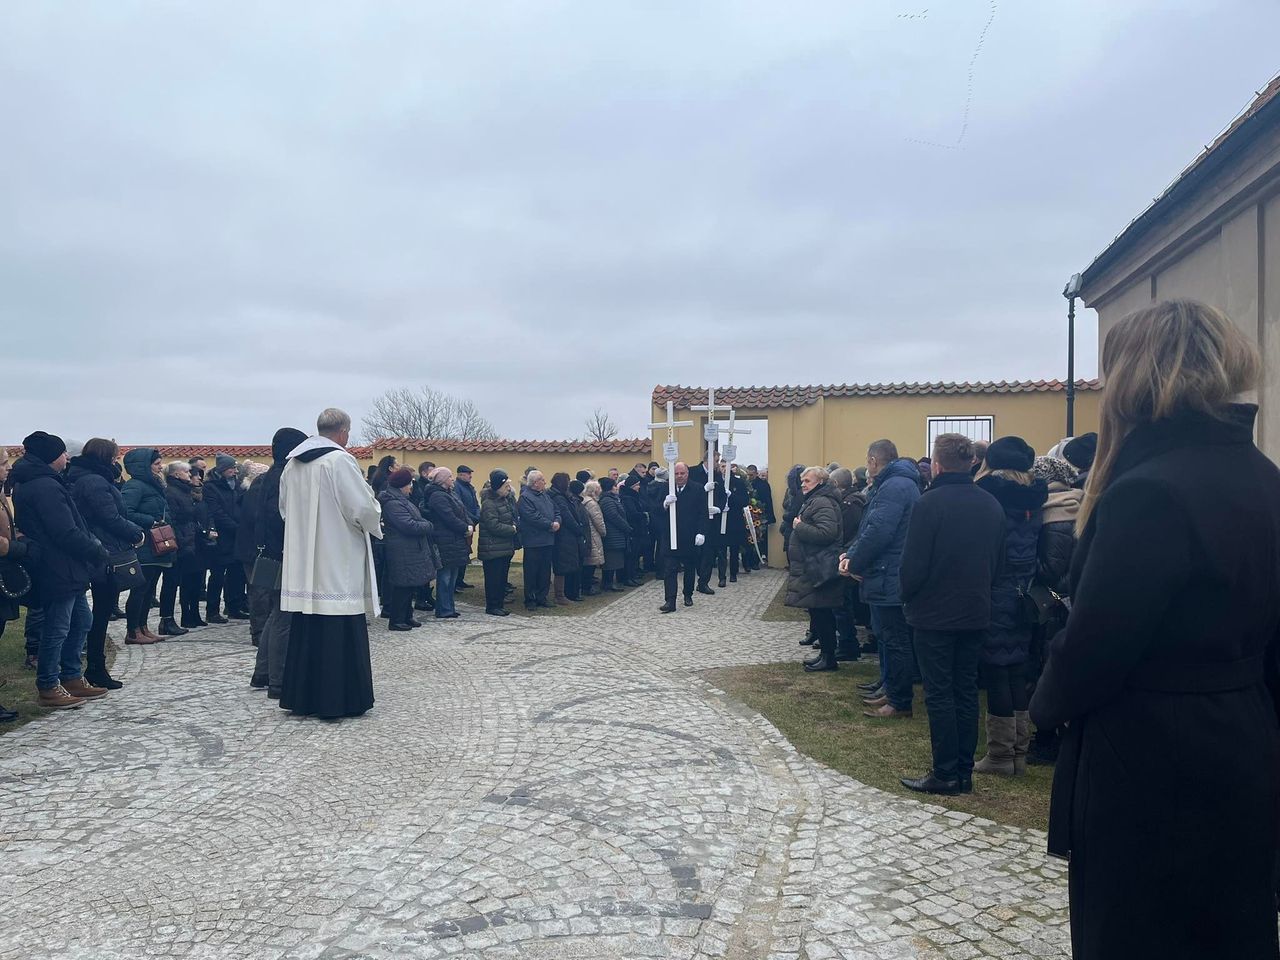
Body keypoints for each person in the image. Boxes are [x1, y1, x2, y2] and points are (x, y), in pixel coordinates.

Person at [1029, 301, 1280, 958]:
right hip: (1246, 740)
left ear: (1132, 376)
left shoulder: (1150, 490)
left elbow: (1096, 645)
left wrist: (1045, 706)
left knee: (1140, 929)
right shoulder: (1263, 476)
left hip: (1150, 756)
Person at [896, 434, 1005, 795]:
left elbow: (913, 567)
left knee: (940, 693)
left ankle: (945, 773)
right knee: (966, 691)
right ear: (972, 462)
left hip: (934, 614)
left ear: (937, 464)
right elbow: (998, 563)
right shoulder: (990, 504)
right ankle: (963, 772)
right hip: (975, 610)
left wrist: (907, 597)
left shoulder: (929, 505)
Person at [279, 409, 381, 719]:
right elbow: (362, 507)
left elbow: (284, 508)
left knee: (307, 626)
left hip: (303, 559)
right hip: (337, 557)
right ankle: (338, 700)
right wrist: (374, 518)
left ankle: (303, 698)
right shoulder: (340, 461)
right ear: (343, 432)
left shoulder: (291, 465)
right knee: (338, 626)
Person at [12, 431, 111, 709]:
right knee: (58, 627)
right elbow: (64, 530)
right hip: (57, 565)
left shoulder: (45, 481)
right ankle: (48, 685)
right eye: (63, 453)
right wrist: (96, 550)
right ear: (52, 456)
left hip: (66, 566)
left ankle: (71, 676)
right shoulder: (44, 486)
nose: (67, 457)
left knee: (82, 621)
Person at [972, 437, 1046, 775]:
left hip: (995, 586)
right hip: (1024, 590)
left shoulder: (988, 494)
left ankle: (1000, 755)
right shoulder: (1034, 496)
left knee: (997, 669)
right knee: (1017, 668)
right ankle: (1018, 751)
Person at [841, 439, 920, 719]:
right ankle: (889, 686)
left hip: (890, 572)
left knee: (894, 638)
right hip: (885, 571)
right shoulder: (895, 484)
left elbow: (879, 531)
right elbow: (869, 528)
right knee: (886, 635)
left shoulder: (895, 486)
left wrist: (855, 561)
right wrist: (852, 553)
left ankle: (899, 700)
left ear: (873, 461)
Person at [68, 438, 145, 691]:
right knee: (100, 613)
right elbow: (110, 517)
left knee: (99, 612)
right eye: (114, 456)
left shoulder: (89, 477)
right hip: (105, 552)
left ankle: (94, 667)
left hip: (102, 548)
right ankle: (96, 668)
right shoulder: (94, 481)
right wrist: (136, 533)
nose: (117, 461)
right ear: (104, 457)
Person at [1024, 455, 1081, 767]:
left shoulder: (1055, 513)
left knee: (1045, 670)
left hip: (1054, 605)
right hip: (1070, 603)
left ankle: (1047, 741)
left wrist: (1023, 561)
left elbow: (1052, 569)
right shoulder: (1078, 504)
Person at [248, 427, 308, 696]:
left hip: (268, 554)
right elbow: (280, 518)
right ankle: (279, 680)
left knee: (275, 613)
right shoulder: (285, 476)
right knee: (284, 616)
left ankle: (262, 673)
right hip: (281, 553)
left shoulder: (270, 475)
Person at [784, 467, 845, 669]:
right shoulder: (815, 499)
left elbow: (827, 532)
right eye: (802, 480)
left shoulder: (822, 501)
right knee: (818, 612)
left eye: (807, 481)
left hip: (819, 564)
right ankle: (826, 655)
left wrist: (799, 526)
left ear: (820, 482)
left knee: (823, 613)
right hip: (813, 564)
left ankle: (829, 657)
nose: (803, 484)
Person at [377, 467, 435, 631]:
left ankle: (407, 616)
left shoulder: (402, 500)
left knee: (410, 585)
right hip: (401, 550)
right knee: (402, 586)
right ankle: (396, 620)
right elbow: (409, 525)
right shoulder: (392, 503)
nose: (411, 487)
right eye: (410, 484)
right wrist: (428, 526)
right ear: (402, 485)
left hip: (410, 549)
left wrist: (423, 524)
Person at [120, 448, 169, 644]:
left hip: (155, 545)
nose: (160, 467)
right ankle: (133, 631)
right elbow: (126, 511)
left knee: (148, 590)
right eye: (156, 464)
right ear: (144, 466)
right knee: (140, 590)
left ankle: (143, 627)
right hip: (143, 544)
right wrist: (151, 520)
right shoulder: (135, 486)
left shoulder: (153, 485)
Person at [654, 463, 709, 612]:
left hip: (689, 535)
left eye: (682, 473)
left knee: (689, 567)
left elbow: (703, 513)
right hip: (670, 535)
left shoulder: (697, 489)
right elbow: (655, 509)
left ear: (687, 473)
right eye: (677, 473)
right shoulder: (666, 488)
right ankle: (670, 600)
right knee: (669, 569)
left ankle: (688, 594)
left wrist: (701, 532)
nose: (679, 476)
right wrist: (665, 503)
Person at [202, 454, 248, 622]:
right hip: (221, 536)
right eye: (232, 468)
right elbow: (216, 512)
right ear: (222, 469)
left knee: (236, 573)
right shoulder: (211, 487)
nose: (235, 471)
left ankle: (234, 606)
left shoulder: (237, 485)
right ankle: (212, 610)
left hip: (236, 536)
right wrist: (236, 527)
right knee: (217, 575)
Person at [827, 468, 866, 662]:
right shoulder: (848, 502)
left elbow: (849, 532)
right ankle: (846, 642)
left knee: (843, 604)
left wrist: (844, 553)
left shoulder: (851, 505)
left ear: (836, 485)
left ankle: (848, 643)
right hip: (844, 553)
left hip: (845, 555)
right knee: (841, 603)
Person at [421, 468, 468, 619]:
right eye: (449, 477)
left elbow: (462, 511)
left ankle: (449, 607)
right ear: (442, 480)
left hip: (454, 539)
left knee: (452, 576)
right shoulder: (437, 496)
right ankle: (443, 609)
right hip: (444, 540)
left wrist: (469, 524)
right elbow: (449, 517)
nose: (452, 479)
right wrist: (464, 527)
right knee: (445, 577)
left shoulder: (450, 493)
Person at [234, 461, 271, 648]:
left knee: (259, 591)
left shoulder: (251, 491)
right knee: (260, 592)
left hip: (250, 550)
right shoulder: (258, 492)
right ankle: (259, 632)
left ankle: (260, 630)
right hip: (256, 550)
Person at [517, 470, 560, 609]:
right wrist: (550, 524)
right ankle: (530, 599)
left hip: (547, 540)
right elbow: (532, 517)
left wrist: (557, 521)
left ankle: (542, 597)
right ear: (535, 483)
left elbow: (557, 510)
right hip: (533, 541)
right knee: (531, 572)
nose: (545, 482)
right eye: (542, 480)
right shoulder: (525, 497)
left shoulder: (545, 495)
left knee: (545, 571)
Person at [478, 470, 517, 616]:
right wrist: (512, 529)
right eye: (506, 486)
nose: (508, 488)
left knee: (501, 579)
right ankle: (493, 606)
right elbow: (493, 526)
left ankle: (499, 604)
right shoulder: (489, 503)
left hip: (503, 547)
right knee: (494, 579)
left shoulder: (503, 500)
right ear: (499, 487)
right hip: (492, 548)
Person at [548, 473, 584, 604]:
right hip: (563, 535)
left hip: (567, 535)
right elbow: (566, 516)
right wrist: (578, 529)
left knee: (567, 564)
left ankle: (565, 593)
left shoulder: (562, 496)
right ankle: (560, 595)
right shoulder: (558, 498)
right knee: (562, 565)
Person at [597, 476, 631, 592]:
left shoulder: (612, 499)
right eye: (615, 486)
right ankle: (608, 582)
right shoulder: (607, 500)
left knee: (614, 560)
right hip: (613, 534)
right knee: (611, 560)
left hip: (616, 534)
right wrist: (626, 527)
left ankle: (609, 582)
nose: (617, 488)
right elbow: (614, 516)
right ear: (611, 488)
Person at [453, 465, 481, 590]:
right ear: (460, 474)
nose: (470, 476)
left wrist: (477, 515)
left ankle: (460, 579)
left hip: (471, 522)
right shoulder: (456, 487)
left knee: (466, 551)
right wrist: (473, 518)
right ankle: (456, 581)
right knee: (461, 551)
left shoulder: (470, 487)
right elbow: (460, 507)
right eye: (467, 473)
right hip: (463, 523)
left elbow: (476, 504)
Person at [620, 471, 648, 586]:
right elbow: (632, 514)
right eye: (636, 485)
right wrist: (644, 515)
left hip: (638, 530)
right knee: (631, 556)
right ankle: (628, 577)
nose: (638, 487)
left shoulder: (633, 497)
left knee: (635, 555)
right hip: (633, 529)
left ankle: (632, 575)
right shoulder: (628, 498)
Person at [581, 480, 606, 595]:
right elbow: (598, 520)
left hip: (589, 533)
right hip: (593, 534)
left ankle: (586, 585)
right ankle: (587, 587)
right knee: (591, 562)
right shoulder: (592, 503)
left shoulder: (585, 501)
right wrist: (603, 532)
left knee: (589, 561)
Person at [747, 464, 775, 566]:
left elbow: (768, 501)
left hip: (760, 515)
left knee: (759, 538)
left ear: (756, 473)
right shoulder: (746, 483)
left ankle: (756, 560)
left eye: (751, 475)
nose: (749, 477)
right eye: (748, 475)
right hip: (748, 514)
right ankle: (749, 560)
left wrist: (769, 516)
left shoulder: (763, 485)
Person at [780, 464, 804, 565]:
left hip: (793, 525)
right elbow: (785, 504)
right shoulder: (792, 491)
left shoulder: (800, 494)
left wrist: (785, 516)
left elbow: (793, 513)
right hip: (791, 526)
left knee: (793, 553)